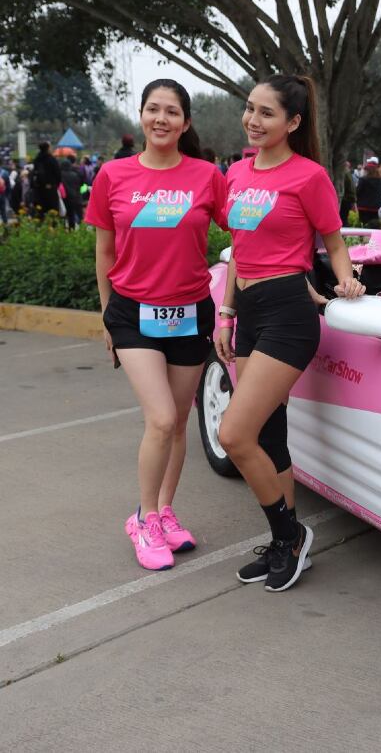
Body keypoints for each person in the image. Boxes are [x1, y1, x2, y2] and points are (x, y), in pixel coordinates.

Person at [217, 74, 365, 592]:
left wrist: (346, 280)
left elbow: (334, 242)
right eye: (250, 108)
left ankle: (291, 536)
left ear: (293, 122)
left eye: (267, 113)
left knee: (233, 435)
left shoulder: (308, 176)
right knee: (266, 434)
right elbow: (238, 250)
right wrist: (227, 313)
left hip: (287, 312)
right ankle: (284, 543)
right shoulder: (236, 173)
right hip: (249, 310)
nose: (253, 120)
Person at [86, 79, 228, 571]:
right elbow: (105, 251)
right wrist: (107, 316)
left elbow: (244, 233)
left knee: (180, 421)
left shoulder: (207, 176)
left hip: (190, 312)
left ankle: (166, 511)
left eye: (171, 111)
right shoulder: (113, 175)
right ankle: (143, 519)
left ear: (185, 123)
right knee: (162, 418)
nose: (161, 118)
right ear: (142, 115)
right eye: (153, 109)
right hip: (133, 314)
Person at [30, 142, 62, 219]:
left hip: (39, 190)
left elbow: (34, 174)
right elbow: (58, 174)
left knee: (40, 212)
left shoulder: (37, 159)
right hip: (50, 189)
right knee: (53, 212)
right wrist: (55, 184)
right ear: (48, 148)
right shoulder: (52, 160)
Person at [355, 157, 381, 226]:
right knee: (374, 226)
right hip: (376, 207)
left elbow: (358, 191)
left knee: (364, 225)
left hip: (363, 207)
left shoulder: (363, 179)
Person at [59, 155, 85, 229]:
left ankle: (63, 228)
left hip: (63, 198)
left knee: (63, 214)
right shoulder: (75, 175)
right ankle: (72, 228)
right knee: (72, 215)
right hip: (74, 197)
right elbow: (80, 185)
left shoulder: (60, 175)